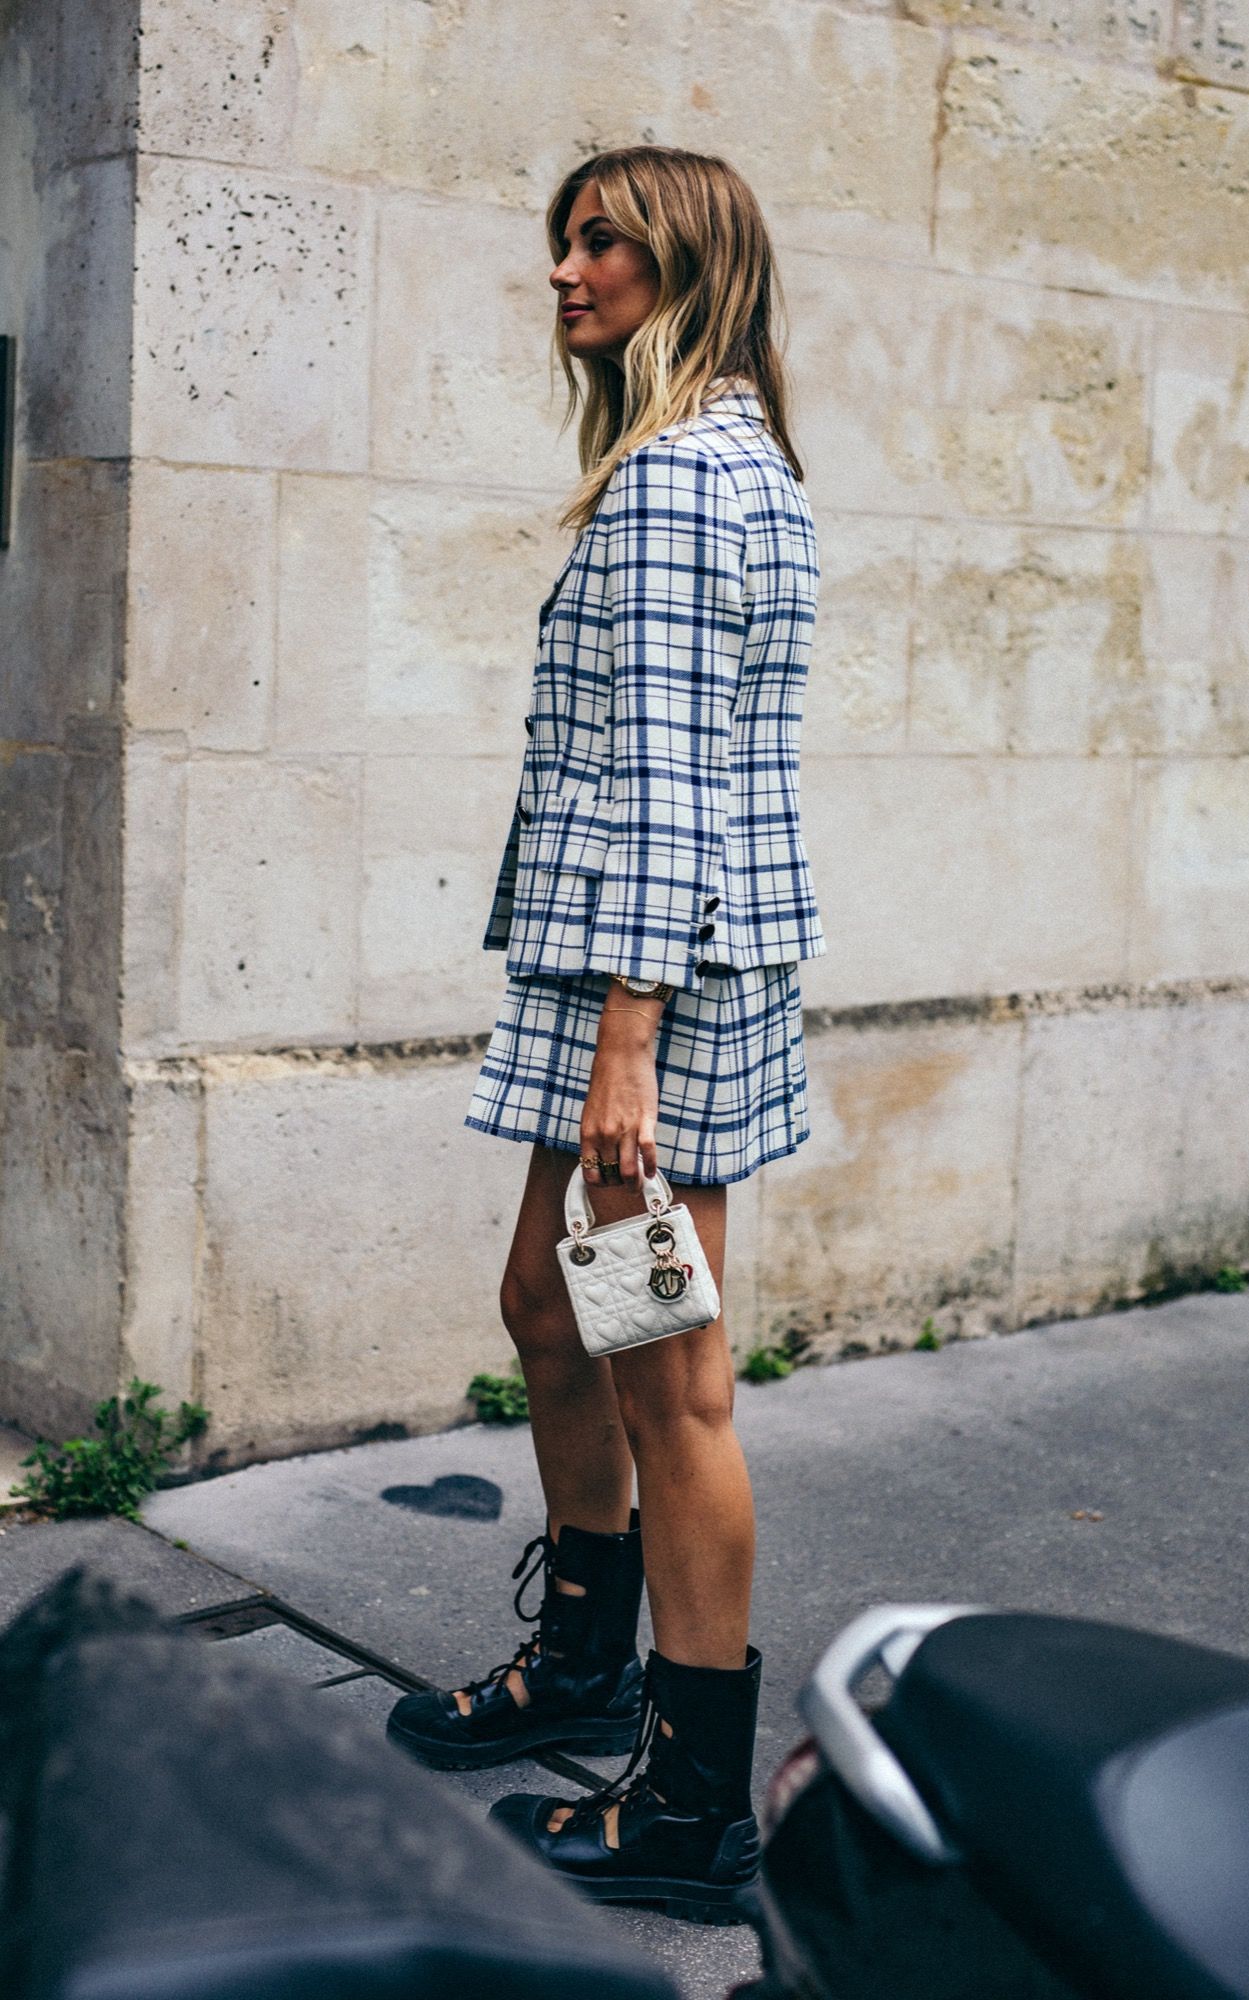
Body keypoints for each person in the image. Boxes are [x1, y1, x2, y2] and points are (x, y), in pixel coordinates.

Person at [387, 144, 825, 1926]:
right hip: (635, 971)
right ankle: (580, 1662)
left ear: (685, 270)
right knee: (547, 1307)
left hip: (651, 991)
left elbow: (662, 780)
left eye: (603, 244)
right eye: (561, 242)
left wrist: (624, 1048)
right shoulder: (727, 460)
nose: (565, 271)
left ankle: (692, 1807)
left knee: (666, 1377)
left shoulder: (675, 481)